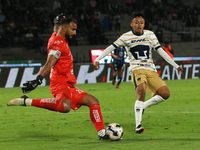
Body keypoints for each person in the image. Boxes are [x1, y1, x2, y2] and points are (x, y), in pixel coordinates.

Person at [7, 16, 108, 140]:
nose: (75, 33)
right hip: (60, 83)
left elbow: (56, 28)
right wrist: (38, 80)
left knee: (93, 101)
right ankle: (27, 101)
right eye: (73, 29)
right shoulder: (58, 42)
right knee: (65, 107)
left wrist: (59, 22)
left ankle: (102, 134)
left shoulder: (58, 38)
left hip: (67, 84)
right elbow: (49, 63)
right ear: (64, 28)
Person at [93, 13, 183, 134]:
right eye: (136, 22)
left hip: (151, 69)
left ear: (144, 24)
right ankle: (138, 125)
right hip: (137, 69)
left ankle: (142, 106)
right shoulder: (125, 37)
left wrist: (175, 65)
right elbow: (111, 47)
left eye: (141, 22)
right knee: (141, 92)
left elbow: (161, 51)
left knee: (165, 94)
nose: (139, 24)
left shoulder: (150, 34)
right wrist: (98, 59)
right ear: (131, 24)